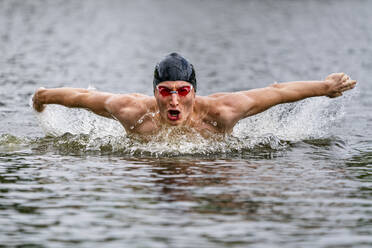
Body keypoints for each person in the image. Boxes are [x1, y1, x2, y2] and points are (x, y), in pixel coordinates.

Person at [32, 52, 357, 137]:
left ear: (194, 92)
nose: (174, 101)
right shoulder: (131, 111)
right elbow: (82, 97)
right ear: (155, 93)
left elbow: (278, 92)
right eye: (166, 92)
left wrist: (326, 88)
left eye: (182, 91)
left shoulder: (223, 111)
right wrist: (44, 96)